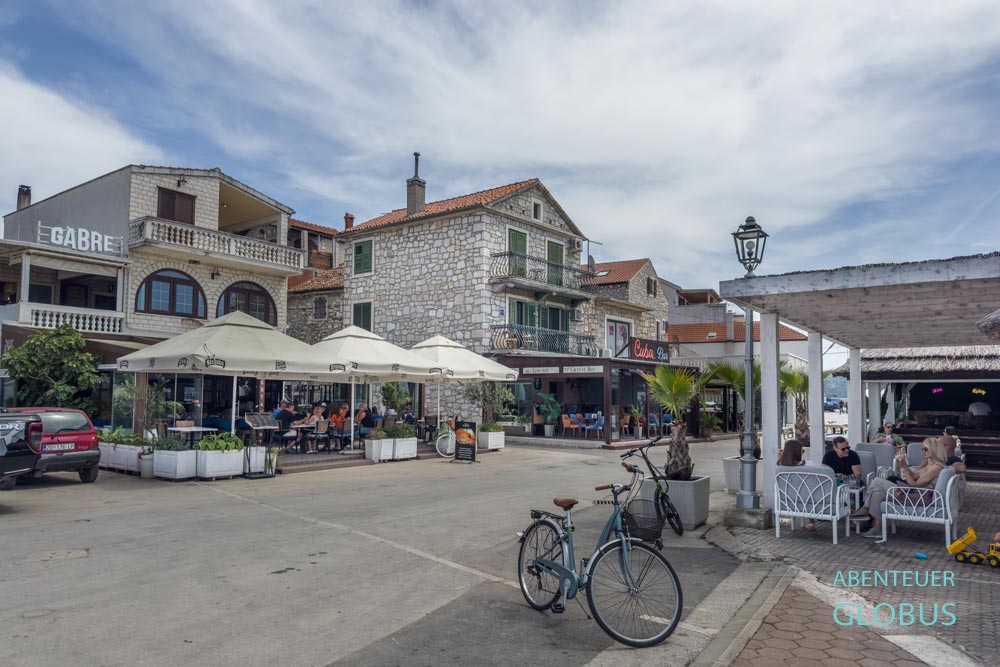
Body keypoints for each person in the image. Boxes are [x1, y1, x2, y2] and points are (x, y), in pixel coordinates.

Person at [852, 437, 947, 537]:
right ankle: (877, 528)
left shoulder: (936, 467)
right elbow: (914, 475)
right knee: (877, 492)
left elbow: (913, 485)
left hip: (919, 497)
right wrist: (903, 464)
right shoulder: (930, 464)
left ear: (934, 449)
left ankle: (865, 509)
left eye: (926, 449)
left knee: (877, 481)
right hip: (915, 494)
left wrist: (904, 466)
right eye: (922, 449)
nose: (923, 451)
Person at [777, 439, 814, 530]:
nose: (803, 453)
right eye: (802, 451)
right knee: (810, 490)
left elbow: (782, 462)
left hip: (787, 499)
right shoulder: (807, 465)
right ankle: (811, 521)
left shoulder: (779, 468)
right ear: (797, 452)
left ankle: (810, 522)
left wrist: (780, 456)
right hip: (805, 499)